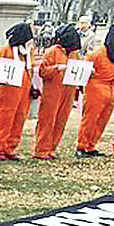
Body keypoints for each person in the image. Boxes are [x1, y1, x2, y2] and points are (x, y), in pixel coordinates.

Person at [75, 25, 114, 157]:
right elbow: (84, 71)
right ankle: (82, 146)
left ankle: (91, 145)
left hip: (112, 88)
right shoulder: (97, 54)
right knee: (90, 119)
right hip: (96, 89)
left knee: (102, 120)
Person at [33, 24, 82, 160]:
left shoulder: (74, 53)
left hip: (69, 89)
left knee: (61, 120)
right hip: (52, 90)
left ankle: (51, 148)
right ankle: (41, 150)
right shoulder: (52, 51)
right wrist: (56, 68)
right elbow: (43, 72)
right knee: (47, 119)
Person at [0, 23, 35, 160]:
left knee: (19, 119)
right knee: (6, 119)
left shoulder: (28, 52)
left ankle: (10, 148)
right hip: (8, 90)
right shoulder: (6, 50)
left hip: (24, 90)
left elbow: (30, 70)